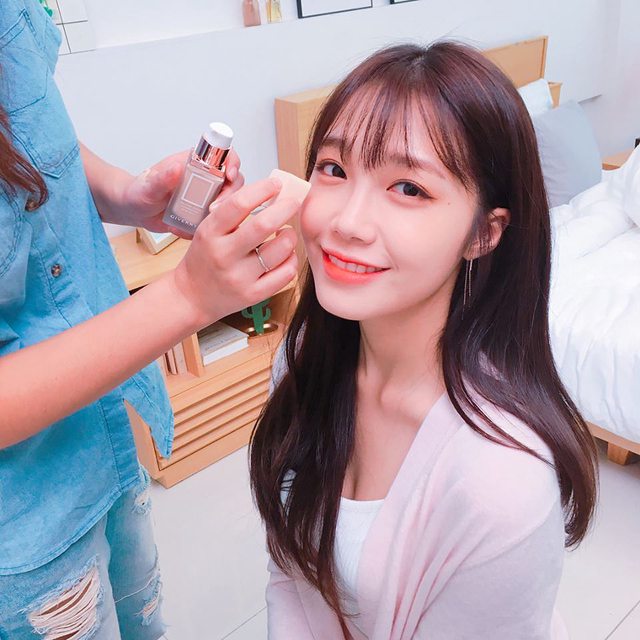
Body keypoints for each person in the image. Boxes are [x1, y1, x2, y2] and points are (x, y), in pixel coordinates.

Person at [249, 41, 599, 639]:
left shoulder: (502, 483)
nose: (346, 222)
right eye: (334, 169)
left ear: (484, 233)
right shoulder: (303, 356)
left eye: (409, 188)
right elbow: (289, 574)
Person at [0, 1, 299, 638]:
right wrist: (187, 298)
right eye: (332, 169)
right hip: (25, 523)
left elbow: (26, 130)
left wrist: (126, 194)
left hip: (102, 435)